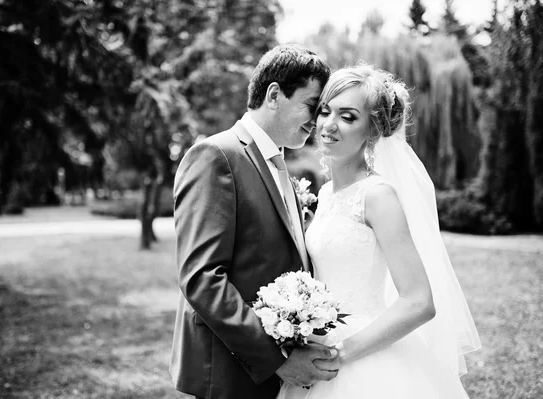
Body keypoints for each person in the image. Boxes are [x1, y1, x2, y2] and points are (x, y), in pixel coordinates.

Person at [278, 64, 481, 399]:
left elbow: (419, 302)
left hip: (363, 355)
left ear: (372, 130)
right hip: (316, 346)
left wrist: (340, 354)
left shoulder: (377, 196)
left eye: (348, 116)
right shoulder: (327, 194)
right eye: (325, 111)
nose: (329, 124)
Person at [170, 44, 340, 399]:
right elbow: (202, 278)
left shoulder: (278, 164)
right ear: (274, 94)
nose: (318, 121)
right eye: (312, 106)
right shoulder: (216, 156)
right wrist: (274, 359)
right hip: (233, 370)